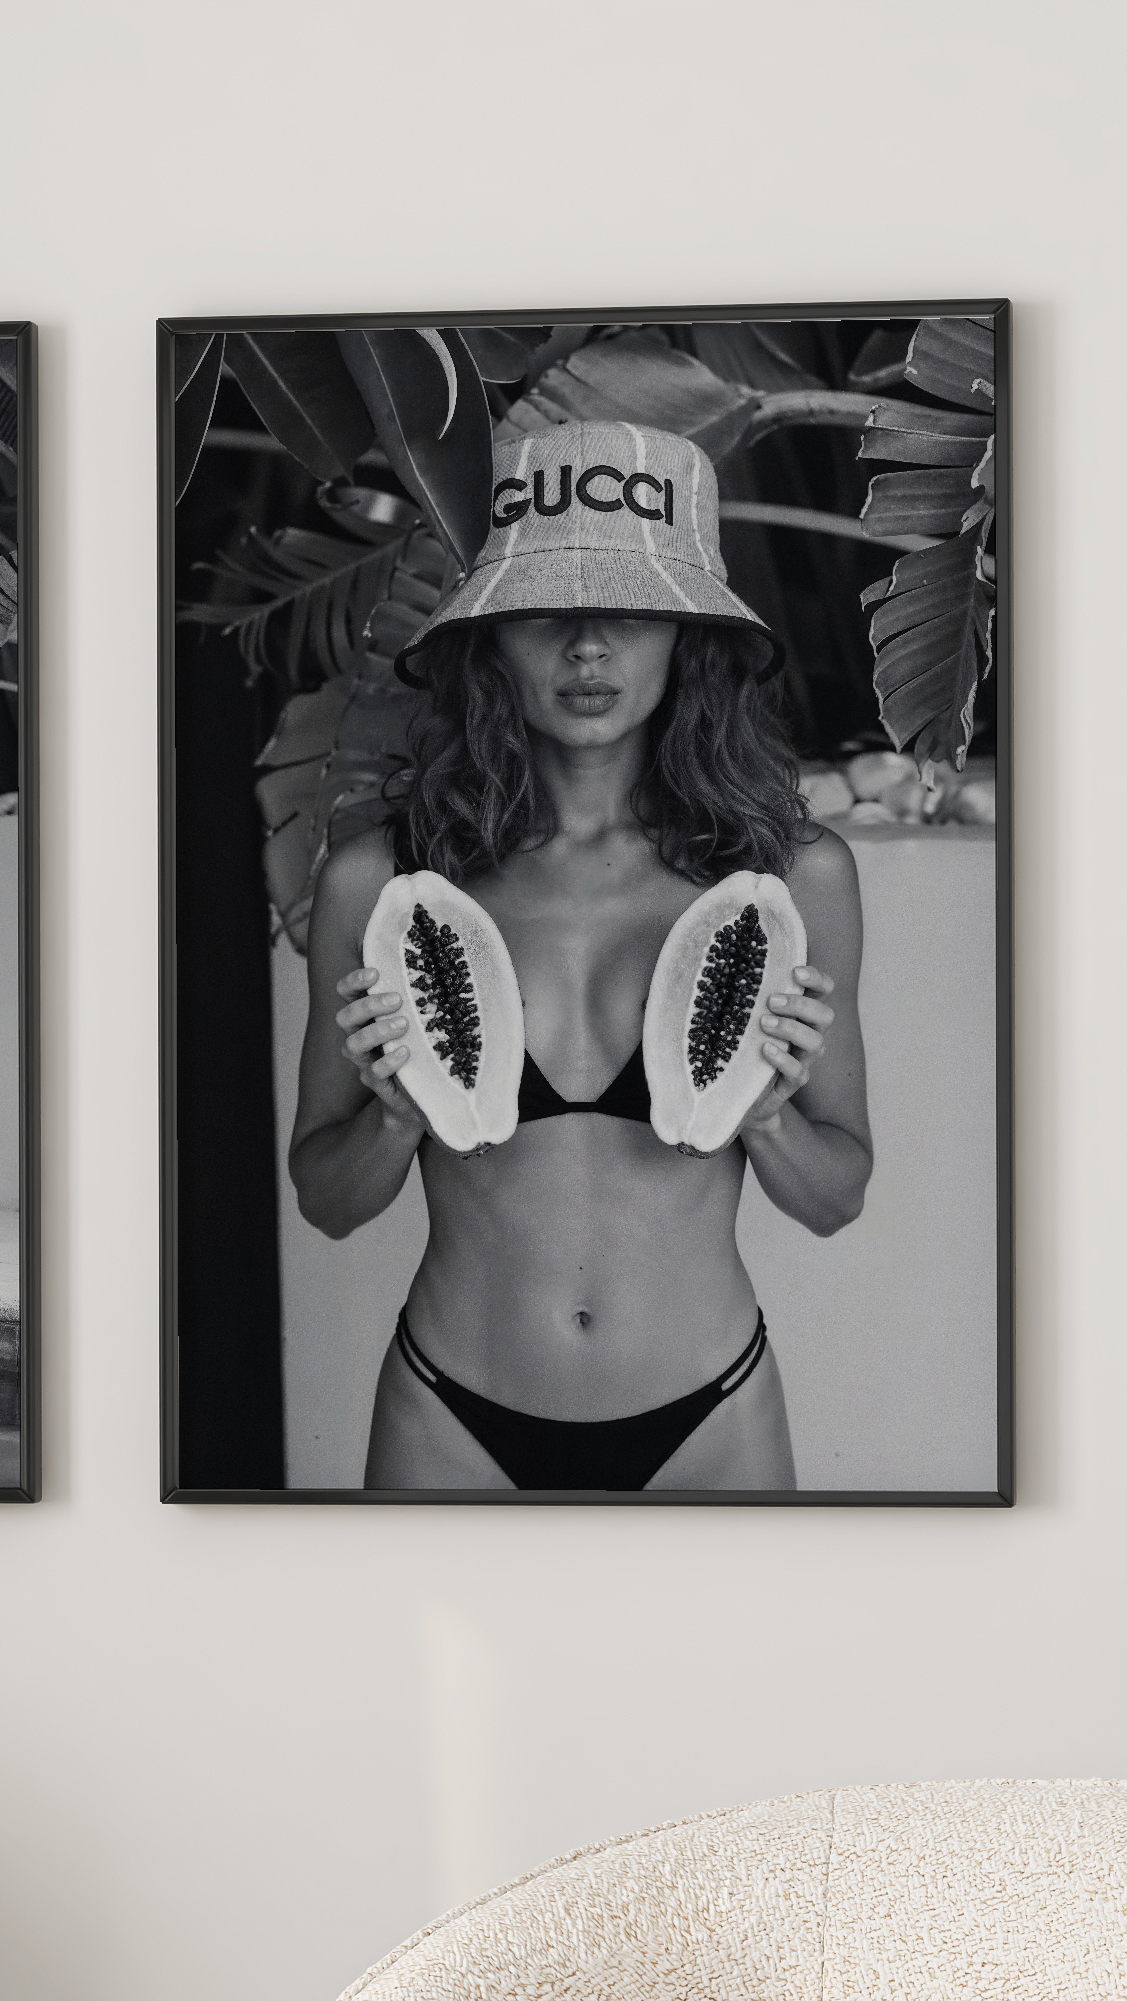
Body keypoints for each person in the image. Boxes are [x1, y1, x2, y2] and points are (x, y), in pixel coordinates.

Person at [290, 423, 871, 1492]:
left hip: (714, 1418)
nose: (589, 645)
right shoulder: (384, 883)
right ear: (490, 636)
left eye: (632, 607)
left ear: (690, 635)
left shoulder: (793, 879)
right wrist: (392, 1115)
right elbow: (324, 1201)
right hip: (446, 1416)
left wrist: (769, 1114)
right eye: (545, 607)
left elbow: (840, 1197)